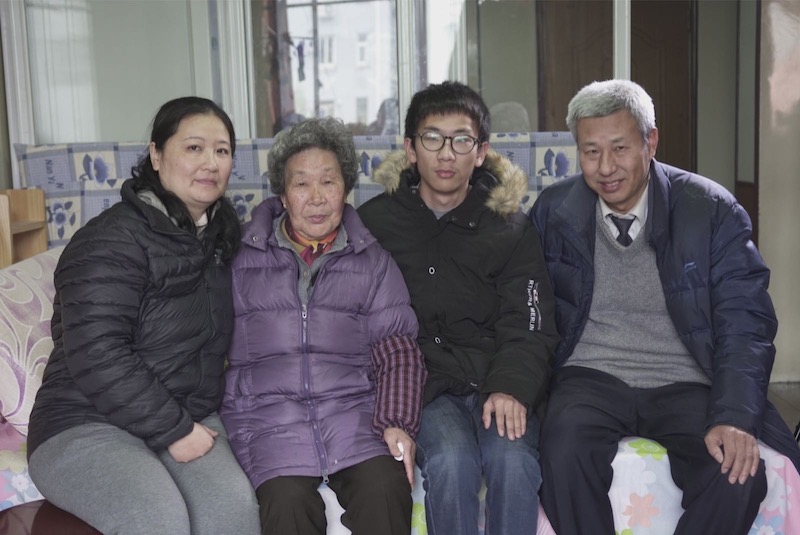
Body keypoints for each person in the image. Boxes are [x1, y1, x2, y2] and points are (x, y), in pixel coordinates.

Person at [530, 79, 800, 535]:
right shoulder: (554, 210)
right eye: (591, 152)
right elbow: (529, 310)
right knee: (561, 453)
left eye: (620, 148)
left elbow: (745, 321)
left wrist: (733, 416)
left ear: (650, 141)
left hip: (686, 379)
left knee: (737, 474)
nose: (606, 167)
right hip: (588, 375)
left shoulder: (710, 210)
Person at [26, 97, 261, 535]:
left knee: (233, 510)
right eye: (194, 148)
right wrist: (175, 430)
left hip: (187, 415)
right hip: (85, 422)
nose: (210, 163)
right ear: (156, 154)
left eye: (222, 151)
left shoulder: (218, 239)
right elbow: (96, 352)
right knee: (156, 519)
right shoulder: (111, 238)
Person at [358, 81, 559, 535]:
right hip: (425, 387)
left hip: (496, 380)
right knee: (451, 462)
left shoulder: (509, 226)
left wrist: (511, 386)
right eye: (432, 138)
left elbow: (531, 321)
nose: (446, 154)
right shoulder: (377, 223)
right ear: (410, 149)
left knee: (513, 463)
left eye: (461, 140)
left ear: (481, 151)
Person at [220, 117, 427, 535]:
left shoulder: (372, 261)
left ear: (345, 188)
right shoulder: (238, 259)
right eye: (301, 184)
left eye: (328, 182)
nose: (316, 198)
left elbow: (398, 348)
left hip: (355, 418)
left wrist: (396, 421)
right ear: (282, 194)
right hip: (268, 422)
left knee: (384, 489)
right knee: (286, 505)